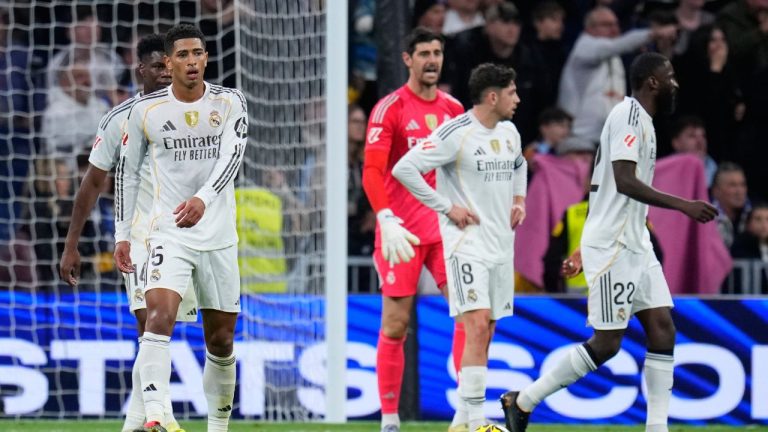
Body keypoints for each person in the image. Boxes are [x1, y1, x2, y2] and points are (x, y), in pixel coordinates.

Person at [500, 52, 718, 432]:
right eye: (671, 77)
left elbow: (603, 191)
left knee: (663, 327)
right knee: (606, 344)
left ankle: (657, 427)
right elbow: (624, 181)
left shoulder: (644, 122)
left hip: (635, 241)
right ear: (652, 82)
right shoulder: (628, 116)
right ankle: (523, 400)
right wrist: (683, 205)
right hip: (615, 246)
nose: (675, 84)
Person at [58, 34, 196, 432]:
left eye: (169, 65)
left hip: (185, 235)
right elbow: (91, 182)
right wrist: (71, 246)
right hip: (137, 237)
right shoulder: (120, 117)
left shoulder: (195, 112)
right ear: (140, 70)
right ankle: (161, 417)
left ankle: (137, 423)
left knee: (161, 329)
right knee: (149, 323)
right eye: (157, 66)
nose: (165, 72)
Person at [113, 24, 247, 432]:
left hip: (218, 235)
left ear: (206, 57)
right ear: (167, 63)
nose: (192, 62)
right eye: (183, 55)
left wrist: (203, 199)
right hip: (167, 232)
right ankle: (155, 417)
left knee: (221, 342)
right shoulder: (145, 111)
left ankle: (217, 428)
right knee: (159, 316)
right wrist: (122, 234)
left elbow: (231, 157)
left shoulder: (230, 102)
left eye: (198, 54)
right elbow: (127, 175)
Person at [393, 62, 526, 432]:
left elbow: (520, 165)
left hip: (501, 246)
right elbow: (404, 168)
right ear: (493, 96)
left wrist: (519, 199)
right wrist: (446, 207)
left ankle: (461, 422)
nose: (518, 98)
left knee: (489, 328)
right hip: (466, 245)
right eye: (513, 92)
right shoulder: (457, 133)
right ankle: (478, 419)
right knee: (477, 324)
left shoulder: (510, 132)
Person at [361, 27, 465, 432]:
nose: (432, 60)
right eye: (424, 53)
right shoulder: (390, 108)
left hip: (444, 231)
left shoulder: (454, 110)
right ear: (407, 59)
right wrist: (385, 217)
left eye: (437, 52)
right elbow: (372, 171)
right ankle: (389, 419)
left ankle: (466, 411)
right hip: (400, 232)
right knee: (395, 325)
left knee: (468, 311)